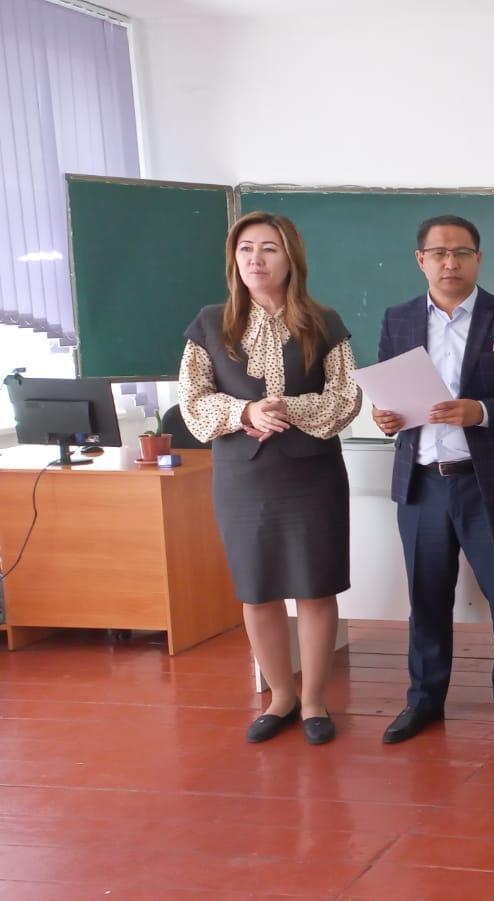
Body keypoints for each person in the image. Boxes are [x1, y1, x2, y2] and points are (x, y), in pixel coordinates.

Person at [371, 215, 494, 746]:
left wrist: (481, 411)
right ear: (421, 260)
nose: (449, 262)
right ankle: (424, 701)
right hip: (421, 484)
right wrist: (385, 417)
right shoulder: (399, 319)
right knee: (426, 598)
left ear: (479, 258)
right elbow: (387, 393)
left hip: (487, 482)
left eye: (461, 252)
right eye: (438, 253)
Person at [178, 211, 361, 746]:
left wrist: (286, 409)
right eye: (245, 249)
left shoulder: (324, 322)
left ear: (290, 258)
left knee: (315, 586)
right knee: (257, 591)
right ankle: (281, 697)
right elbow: (192, 399)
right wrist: (244, 413)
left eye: (268, 248)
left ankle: (315, 701)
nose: (255, 259)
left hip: (312, 472)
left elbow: (346, 397)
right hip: (243, 476)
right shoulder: (210, 323)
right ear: (233, 260)